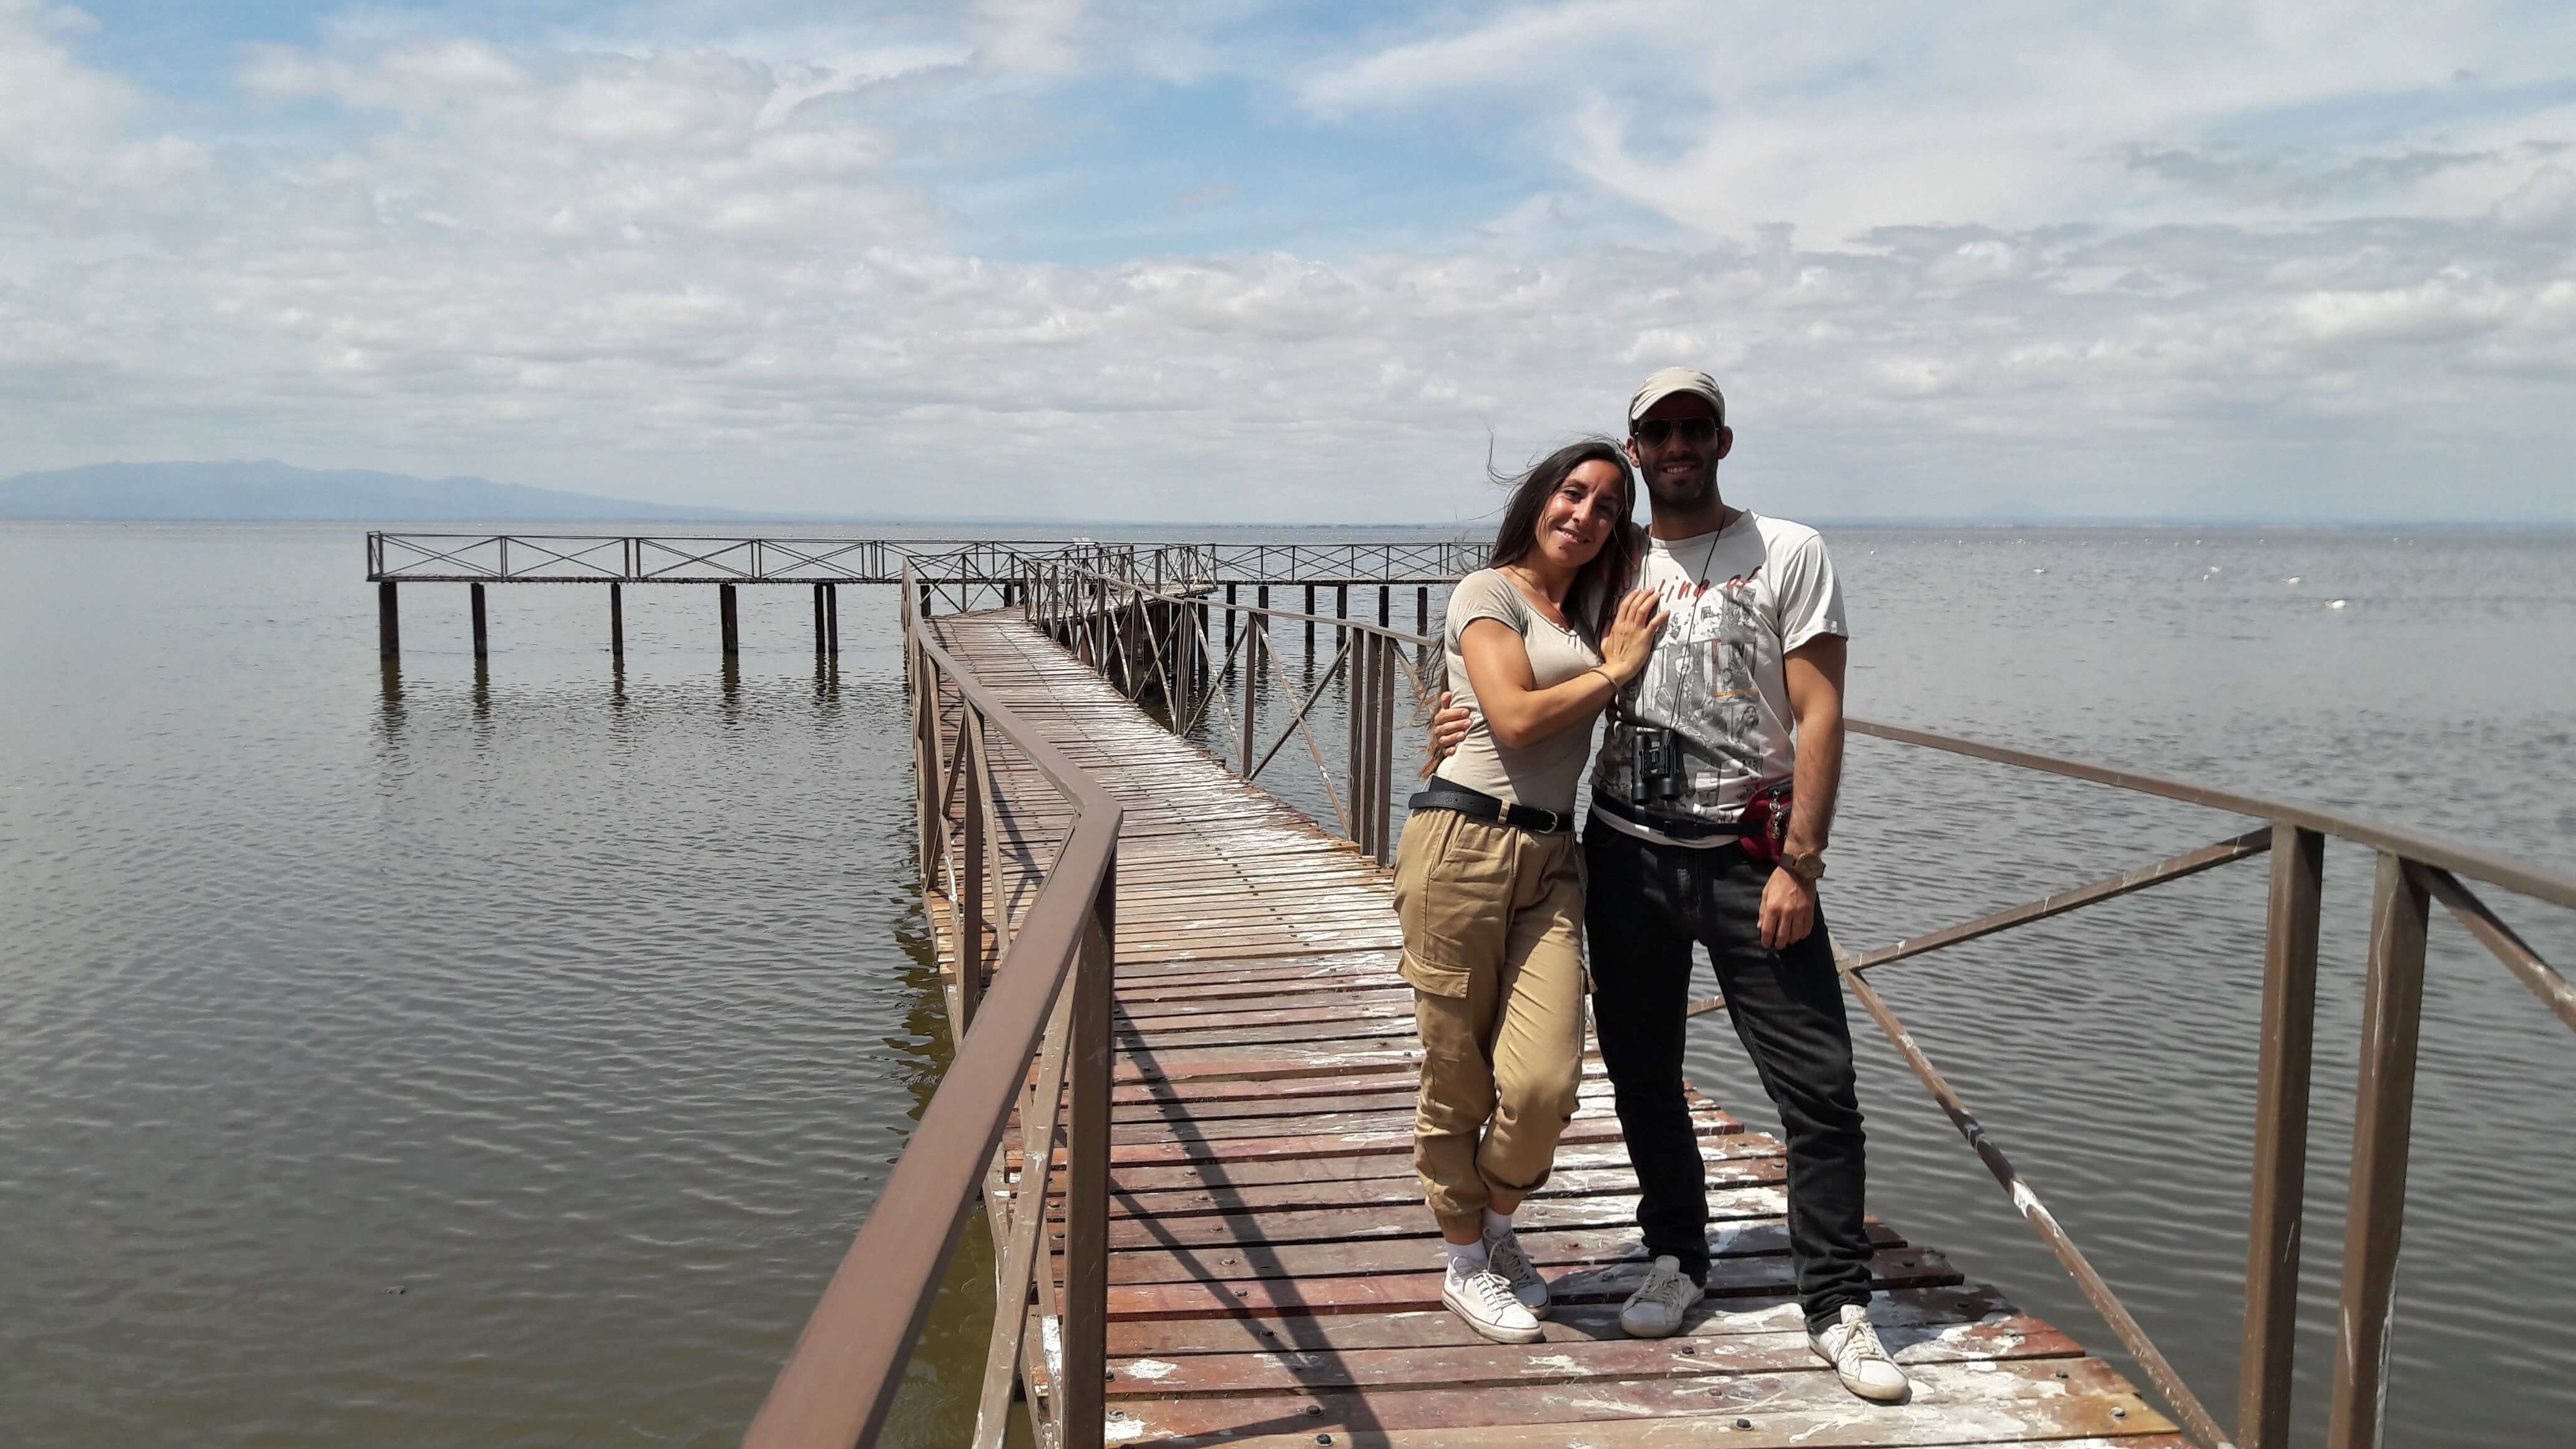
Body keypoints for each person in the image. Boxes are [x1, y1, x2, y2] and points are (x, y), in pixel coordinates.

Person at [1428, 369, 1907, 1402]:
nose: (1678, 444)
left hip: (1750, 859)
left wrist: (1802, 861)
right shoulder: (1612, 556)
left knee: (1818, 1089)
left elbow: (1821, 715)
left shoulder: (1789, 550)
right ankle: (1677, 1256)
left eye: (1696, 427)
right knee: (1645, 1075)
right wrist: (1452, 714)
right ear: (1638, 450)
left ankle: (1839, 1302)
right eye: (1659, 431)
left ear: (1723, 442)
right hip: (1624, 854)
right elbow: (1523, 651)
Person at [1393, 439, 1667, 1344]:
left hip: (1554, 861)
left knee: (1546, 1079)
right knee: (1457, 1074)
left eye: (1605, 506)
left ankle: (1500, 1227)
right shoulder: (1491, 591)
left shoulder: (1592, 609)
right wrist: (1614, 672)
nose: (1585, 515)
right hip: (1461, 845)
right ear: (1540, 497)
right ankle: (1464, 1258)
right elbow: (1508, 715)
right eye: (1572, 493)